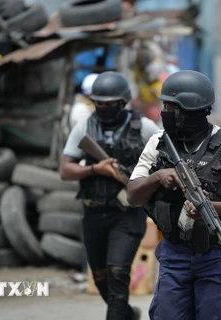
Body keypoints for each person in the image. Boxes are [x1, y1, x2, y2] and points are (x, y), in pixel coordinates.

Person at [127, 70, 221, 319]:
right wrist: (158, 177)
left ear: (191, 111)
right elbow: (133, 196)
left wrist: (210, 208)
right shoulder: (158, 143)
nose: (165, 112)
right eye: (165, 105)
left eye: (171, 106)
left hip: (218, 256)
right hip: (174, 252)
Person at [59, 71, 159, 320]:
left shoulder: (143, 127)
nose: (103, 108)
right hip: (93, 211)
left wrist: (141, 179)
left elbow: (163, 159)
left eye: (110, 103)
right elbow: (65, 169)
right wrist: (95, 169)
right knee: (102, 278)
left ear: (122, 102)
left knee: (117, 272)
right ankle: (126, 314)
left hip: (127, 213)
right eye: (99, 103)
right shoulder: (85, 127)